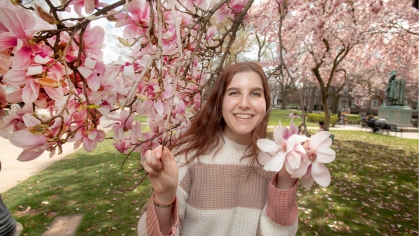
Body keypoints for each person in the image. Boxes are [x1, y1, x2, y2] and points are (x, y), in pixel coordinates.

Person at [138, 62, 299, 235]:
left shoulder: (275, 162)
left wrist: (285, 182)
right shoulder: (189, 155)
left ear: (266, 103)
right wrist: (164, 197)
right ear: (220, 100)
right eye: (234, 93)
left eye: (255, 93)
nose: (245, 104)